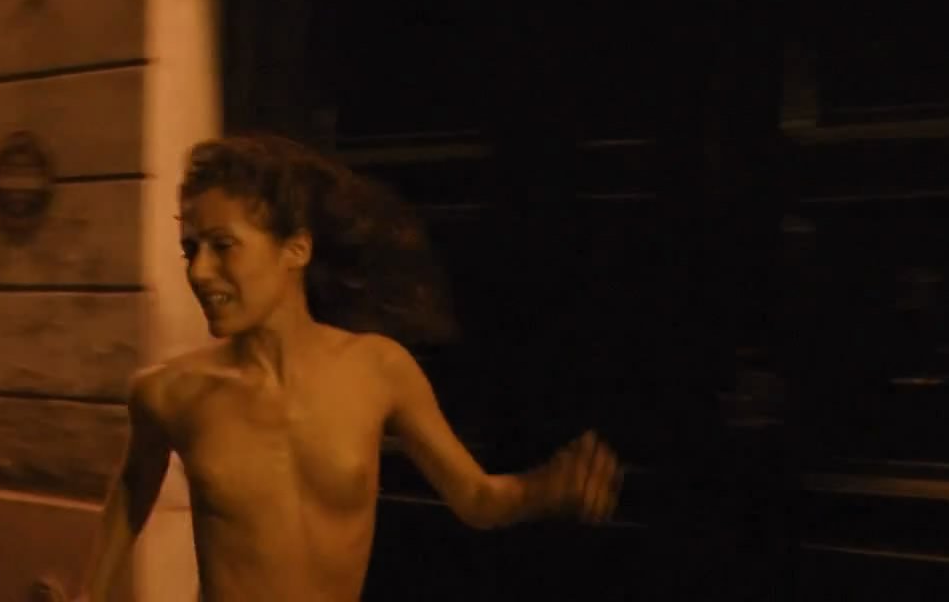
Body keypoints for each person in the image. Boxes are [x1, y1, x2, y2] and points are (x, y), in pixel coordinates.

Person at [78, 134, 623, 601]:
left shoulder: (378, 369)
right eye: (190, 250)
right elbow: (128, 499)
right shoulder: (169, 393)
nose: (199, 271)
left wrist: (543, 489)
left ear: (295, 250)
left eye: (223, 246)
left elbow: (476, 499)